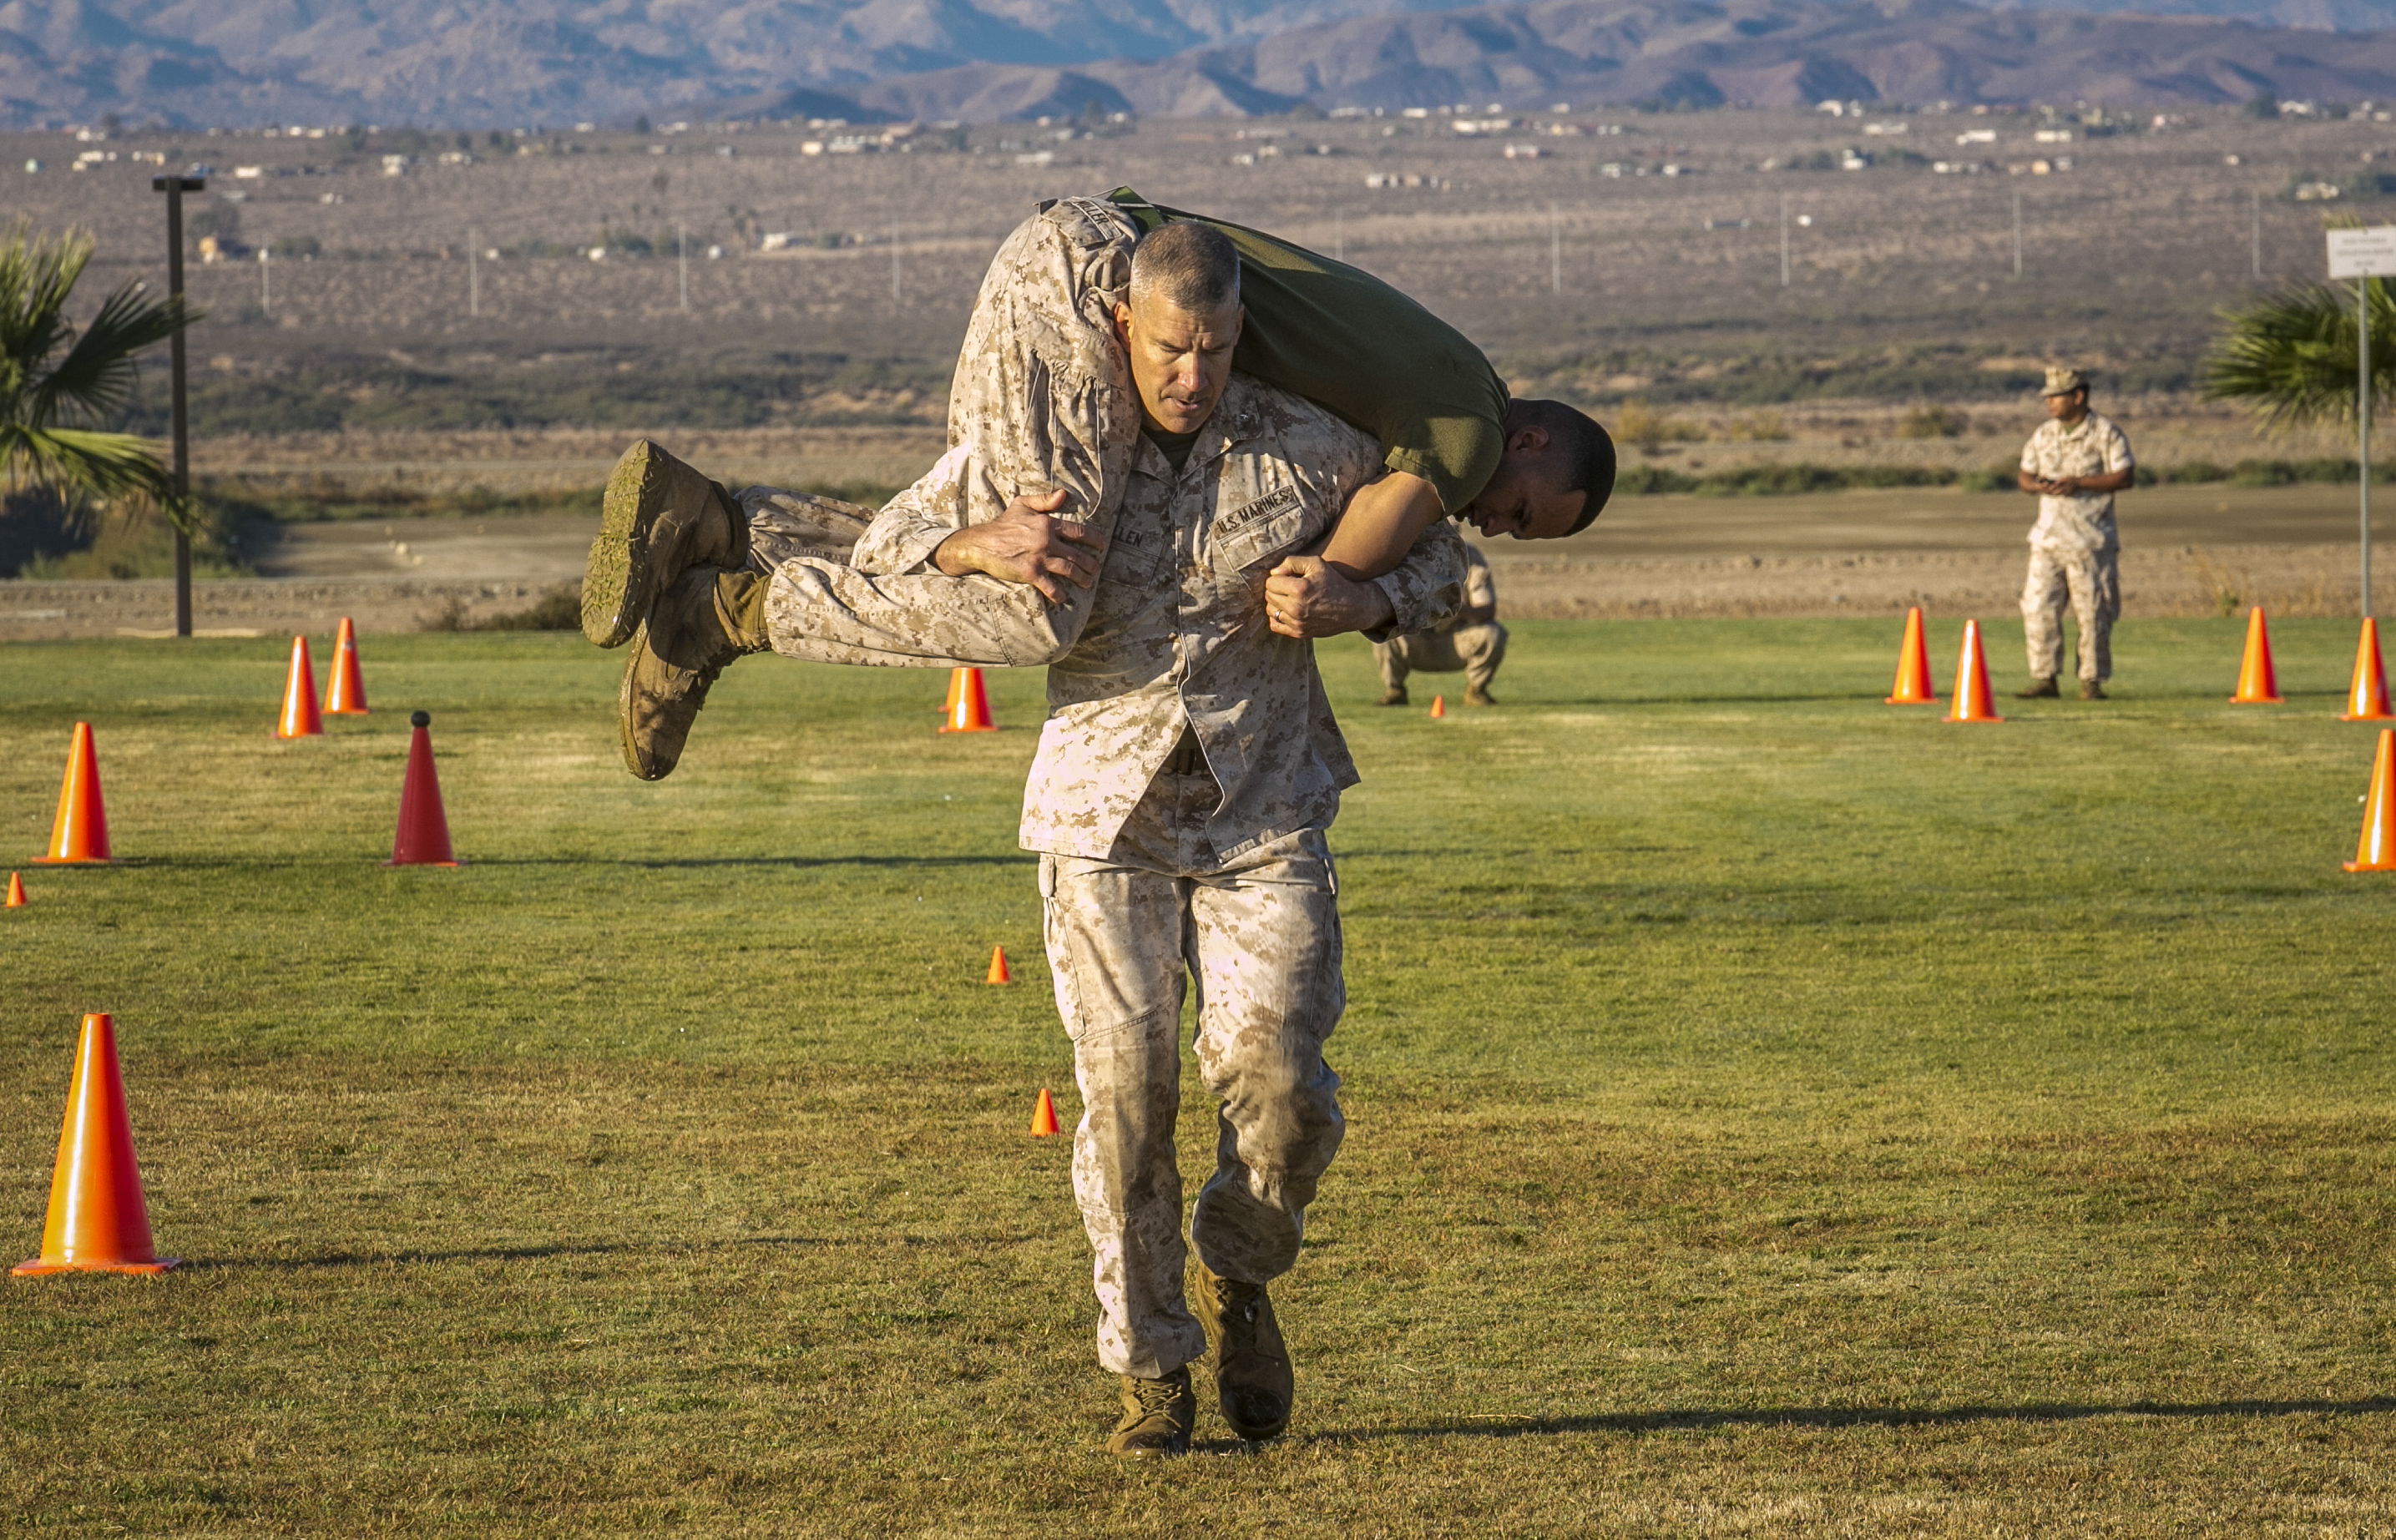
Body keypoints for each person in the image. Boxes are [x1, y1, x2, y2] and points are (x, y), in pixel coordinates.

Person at [604, 215, 1465, 1458]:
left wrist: (1365, 595)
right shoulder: (1051, 450)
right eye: (1172, 348)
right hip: (1098, 820)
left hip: (1264, 812)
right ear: (1122, 322)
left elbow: (1452, 561)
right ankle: (1151, 1370)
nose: (1193, 376)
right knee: (1122, 1101)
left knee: (1282, 1090)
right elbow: (891, 548)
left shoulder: (1314, 451)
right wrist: (975, 541)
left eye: (1218, 350)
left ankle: (1240, 1271)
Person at [581, 189, 1615, 782]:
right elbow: (1352, 549)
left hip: (1089, 258)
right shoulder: (1470, 433)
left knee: (999, 535)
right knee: (1041, 601)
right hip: (1092, 282)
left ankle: (726, 521)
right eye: (1523, 511)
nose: (1498, 523)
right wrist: (1346, 589)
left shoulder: (1450, 380)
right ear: (1527, 438)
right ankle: (735, 611)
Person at [2014, 366, 2134, 700]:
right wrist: (2037, 486)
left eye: (2056, 396)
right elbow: (2024, 474)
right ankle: (2044, 678)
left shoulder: (2105, 433)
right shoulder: (2043, 435)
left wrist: (2079, 483)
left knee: (2093, 612)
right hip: (2047, 538)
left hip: (2089, 541)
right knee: (2038, 608)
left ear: (2078, 396)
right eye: (2048, 397)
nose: (2049, 403)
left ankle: (2091, 681)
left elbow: (2124, 476)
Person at [1372, 541, 1505, 706]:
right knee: (1384, 630)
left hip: (1458, 638)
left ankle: (1476, 692)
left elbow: (1487, 610)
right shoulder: (1405, 555)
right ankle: (1395, 691)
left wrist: (1455, 610)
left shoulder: (1471, 558)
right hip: (1418, 638)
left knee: (1493, 633)